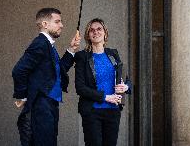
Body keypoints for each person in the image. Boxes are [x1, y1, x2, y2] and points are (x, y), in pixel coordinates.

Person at [12, 8, 81, 146]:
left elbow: (57, 71)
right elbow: (19, 70)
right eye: (57, 21)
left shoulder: (48, 45)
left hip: (50, 103)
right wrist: (22, 96)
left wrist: (71, 49)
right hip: (41, 103)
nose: (61, 25)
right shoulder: (40, 43)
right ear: (45, 24)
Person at [74, 18, 131, 146]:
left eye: (99, 29)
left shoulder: (113, 54)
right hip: (92, 111)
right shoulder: (82, 57)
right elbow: (80, 88)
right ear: (88, 35)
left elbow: (126, 80)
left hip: (113, 111)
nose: (96, 32)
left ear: (105, 32)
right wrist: (105, 97)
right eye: (91, 30)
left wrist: (125, 87)